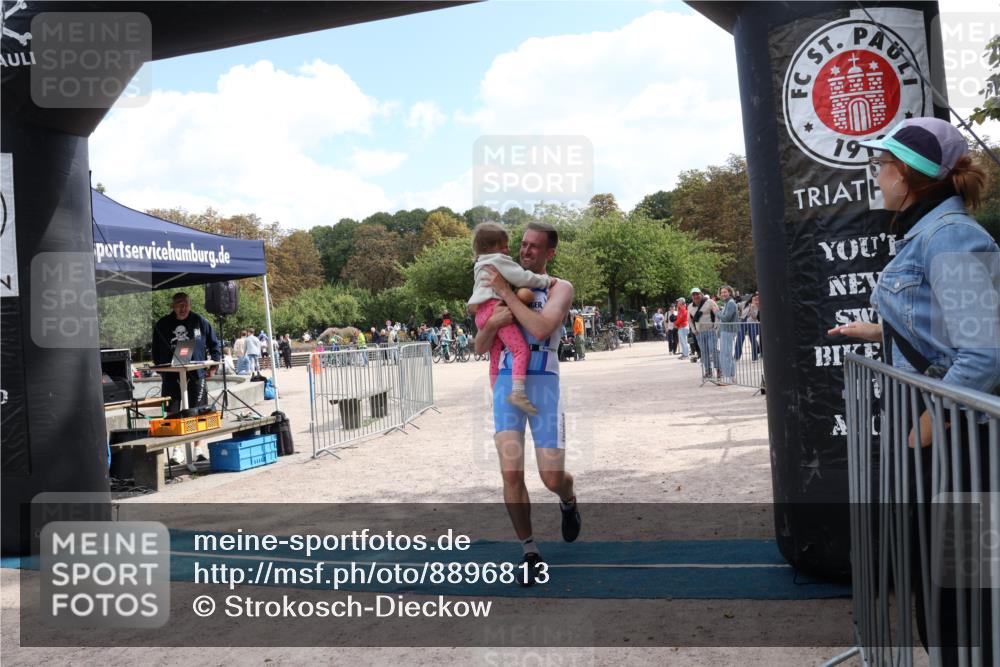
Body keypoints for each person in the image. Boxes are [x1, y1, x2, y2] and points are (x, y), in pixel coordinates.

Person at [828, 117, 999, 663]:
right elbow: (946, 327)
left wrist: (925, 427)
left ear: (907, 174)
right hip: (950, 434)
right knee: (946, 585)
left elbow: (985, 352)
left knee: (963, 592)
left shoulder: (950, 236)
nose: (876, 175)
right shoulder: (931, 233)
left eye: (880, 164)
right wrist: (882, 331)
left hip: (959, 440)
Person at [474, 221, 581, 586]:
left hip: (544, 384)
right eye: (523, 244)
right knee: (511, 473)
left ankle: (568, 498)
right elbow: (480, 346)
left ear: (550, 252)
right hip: (509, 383)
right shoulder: (498, 279)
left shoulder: (559, 287)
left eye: (535, 246)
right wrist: (492, 323)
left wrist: (505, 293)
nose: (525, 250)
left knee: (551, 477)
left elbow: (540, 329)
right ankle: (530, 550)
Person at [468, 222, 553, 414]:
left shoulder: (481, 263)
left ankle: (495, 391)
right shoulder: (498, 260)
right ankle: (518, 392)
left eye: (534, 246)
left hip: (483, 312)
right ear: (491, 247)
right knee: (520, 350)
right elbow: (523, 277)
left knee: (495, 357)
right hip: (494, 310)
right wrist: (547, 281)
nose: (508, 250)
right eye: (504, 246)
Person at [152, 292, 221, 464]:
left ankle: (198, 449)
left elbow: (214, 345)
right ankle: (177, 450)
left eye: (186, 304)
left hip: (196, 374)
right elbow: (155, 350)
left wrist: (214, 366)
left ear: (190, 304)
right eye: (179, 304)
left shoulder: (200, 321)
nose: (183, 308)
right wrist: (161, 369)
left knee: (199, 410)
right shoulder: (162, 324)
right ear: (173, 306)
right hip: (171, 376)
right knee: (172, 412)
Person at [688, 288, 719, 380]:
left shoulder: (710, 302)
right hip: (699, 333)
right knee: (704, 353)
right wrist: (694, 330)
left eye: (697, 294)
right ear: (692, 296)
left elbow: (717, 314)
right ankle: (708, 371)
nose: (696, 296)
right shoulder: (690, 306)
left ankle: (719, 369)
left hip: (710, 331)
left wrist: (715, 327)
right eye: (693, 295)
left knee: (713, 350)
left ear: (701, 294)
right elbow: (689, 320)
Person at [717, 285, 738, 383]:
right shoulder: (728, 303)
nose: (723, 294)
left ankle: (727, 377)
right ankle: (731, 376)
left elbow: (726, 318)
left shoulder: (730, 303)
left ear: (729, 292)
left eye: (725, 292)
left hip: (728, 331)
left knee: (725, 354)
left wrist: (717, 312)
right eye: (722, 292)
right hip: (727, 331)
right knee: (728, 354)